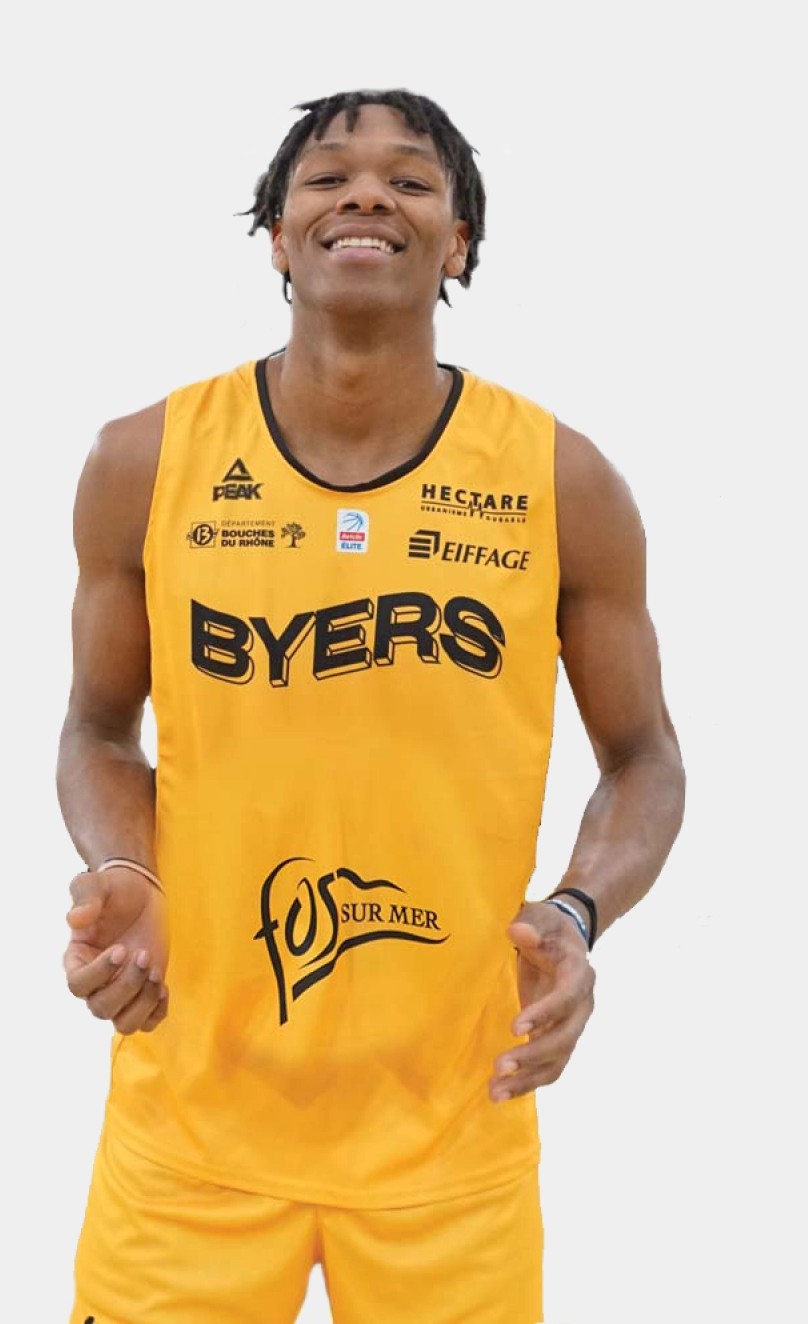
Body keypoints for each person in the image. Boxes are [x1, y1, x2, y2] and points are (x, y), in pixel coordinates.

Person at [58, 88, 685, 1324]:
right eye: (329, 175)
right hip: (190, 1124)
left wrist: (576, 911)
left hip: (455, 1126)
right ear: (276, 237)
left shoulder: (562, 480)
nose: (365, 193)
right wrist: (129, 866)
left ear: (457, 244)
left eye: (409, 179)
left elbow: (644, 756)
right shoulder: (146, 461)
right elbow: (94, 728)